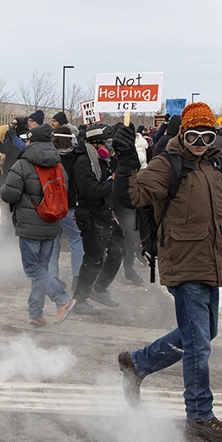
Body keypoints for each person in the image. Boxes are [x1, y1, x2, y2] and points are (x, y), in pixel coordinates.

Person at [112, 101, 222, 442]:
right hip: (182, 262)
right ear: (182, 134)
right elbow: (131, 195)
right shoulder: (167, 163)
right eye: (193, 135)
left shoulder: (218, 165)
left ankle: (137, 363)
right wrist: (126, 158)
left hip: (211, 262)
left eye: (207, 135)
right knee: (199, 343)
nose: (200, 142)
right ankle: (200, 415)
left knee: (203, 333)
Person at [0, 124, 76, 326]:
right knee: (42, 269)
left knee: (33, 269)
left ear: (31, 141)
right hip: (52, 223)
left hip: (30, 225)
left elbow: (8, 194)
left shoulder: (22, 164)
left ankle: (62, 299)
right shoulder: (59, 165)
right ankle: (36, 313)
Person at [72, 125, 124, 315]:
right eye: (107, 143)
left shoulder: (104, 160)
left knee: (118, 249)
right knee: (93, 259)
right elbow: (91, 190)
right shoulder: (84, 162)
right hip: (91, 215)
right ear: (95, 143)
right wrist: (112, 180)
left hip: (105, 213)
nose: (109, 147)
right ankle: (80, 299)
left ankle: (99, 288)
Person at [48, 125, 84, 290]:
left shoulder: (48, 157)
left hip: (52, 205)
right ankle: (77, 277)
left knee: (53, 242)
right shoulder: (78, 158)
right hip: (70, 205)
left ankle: (52, 277)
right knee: (76, 240)